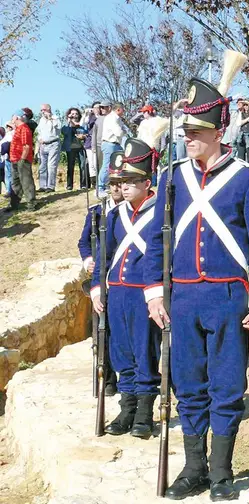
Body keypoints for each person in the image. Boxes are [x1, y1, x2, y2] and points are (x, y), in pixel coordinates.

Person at [143, 66, 249, 501]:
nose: (189, 137)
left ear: (220, 131)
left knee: (225, 385)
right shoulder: (171, 178)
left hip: (226, 297)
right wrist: (153, 290)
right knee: (188, 383)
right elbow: (154, 241)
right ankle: (194, 467)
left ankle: (221, 471)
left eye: (198, 130)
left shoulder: (247, 179)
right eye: (186, 130)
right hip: (182, 296)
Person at [91, 136, 164, 437]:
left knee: (144, 352)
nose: (125, 186)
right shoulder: (113, 215)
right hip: (117, 292)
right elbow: (103, 256)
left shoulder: (161, 213)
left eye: (133, 180)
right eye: (122, 181)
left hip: (143, 293)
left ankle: (145, 414)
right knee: (121, 354)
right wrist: (98, 287)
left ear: (148, 182)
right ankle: (127, 409)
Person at [78, 167, 125, 397]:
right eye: (113, 182)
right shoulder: (96, 213)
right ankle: (107, 378)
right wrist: (88, 259)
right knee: (100, 331)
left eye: (121, 182)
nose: (117, 187)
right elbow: (84, 242)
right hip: (100, 280)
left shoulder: (133, 212)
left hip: (124, 279)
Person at [5, 110, 36, 212]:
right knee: (15, 182)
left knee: (26, 182)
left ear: (17, 117)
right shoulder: (18, 128)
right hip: (14, 159)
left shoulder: (24, 128)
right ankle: (14, 205)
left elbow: (26, 146)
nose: (11, 119)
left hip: (22, 159)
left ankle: (31, 204)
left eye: (12, 117)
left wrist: (22, 159)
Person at [36, 103, 62, 192]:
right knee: (42, 166)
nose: (42, 112)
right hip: (43, 145)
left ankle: (50, 186)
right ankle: (42, 186)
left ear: (48, 109)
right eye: (41, 110)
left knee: (51, 165)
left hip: (53, 144)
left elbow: (58, 128)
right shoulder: (41, 120)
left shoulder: (55, 118)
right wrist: (40, 139)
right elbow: (39, 132)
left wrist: (50, 119)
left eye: (43, 110)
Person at [62, 107, 88, 190]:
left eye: (76, 114)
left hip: (81, 147)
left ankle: (83, 185)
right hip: (70, 148)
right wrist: (69, 122)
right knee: (70, 166)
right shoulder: (67, 125)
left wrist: (83, 136)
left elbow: (87, 134)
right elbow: (64, 132)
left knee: (83, 166)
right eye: (72, 114)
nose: (74, 115)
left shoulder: (82, 124)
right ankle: (69, 185)